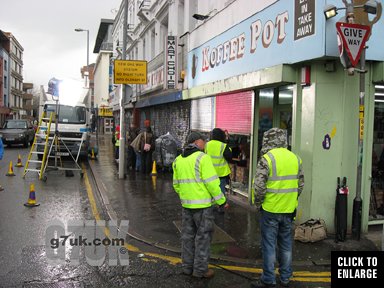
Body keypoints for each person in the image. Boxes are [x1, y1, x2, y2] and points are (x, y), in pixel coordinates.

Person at [251, 128, 304, 288]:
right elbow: (300, 185)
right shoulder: (296, 158)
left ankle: (268, 279)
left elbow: (259, 187)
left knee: (269, 245)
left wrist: (258, 203)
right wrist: (291, 199)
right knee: (286, 243)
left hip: (270, 209)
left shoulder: (267, 159)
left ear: (268, 141)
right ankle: (286, 277)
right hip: (288, 210)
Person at [172, 131, 227, 279]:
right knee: (203, 238)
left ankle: (187, 267)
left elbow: (176, 185)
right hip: (203, 207)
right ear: (197, 142)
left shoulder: (178, 160)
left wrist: (187, 196)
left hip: (187, 206)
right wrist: (222, 201)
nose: (205, 144)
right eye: (204, 141)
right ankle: (200, 270)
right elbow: (212, 184)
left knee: (187, 237)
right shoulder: (203, 158)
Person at [205, 128, 232, 212]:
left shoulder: (207, 144)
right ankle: (221, 207)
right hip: (221, 173)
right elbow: (229, 157)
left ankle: (210, 206)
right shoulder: (223, 146)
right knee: (221, 190)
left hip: (209, 172)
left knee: (210, 189)